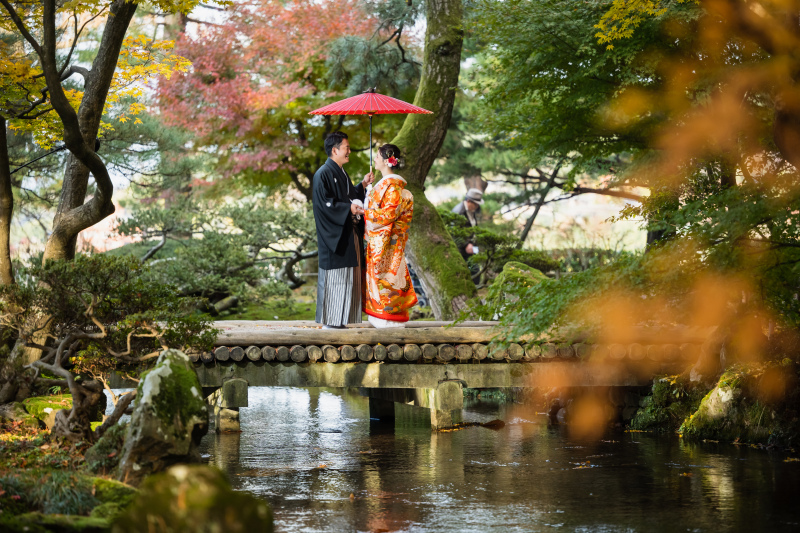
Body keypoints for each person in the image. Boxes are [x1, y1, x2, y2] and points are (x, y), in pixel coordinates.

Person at [312, 131, 374, 329]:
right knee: (337, 278)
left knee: (349, 277)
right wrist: (348, 208)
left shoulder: (340, 172)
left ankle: (341, 320)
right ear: (334, 149)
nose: (349, 151)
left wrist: (363, 184)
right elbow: (325, 204)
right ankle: (331, 321)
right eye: (346, 147)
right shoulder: (323, 173)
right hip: (335, 237)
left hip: (348, 233)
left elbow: (350, 195)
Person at [363, 144, 417, 328]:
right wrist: (369, 193)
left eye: (377, 156)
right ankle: (383, 317)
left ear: (387, 160)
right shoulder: (388, 186)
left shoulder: (392, 187)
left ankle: (387, 318)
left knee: (387, 280)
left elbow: (388, 216)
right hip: (386, 241)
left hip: (386, 242)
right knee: (386, 280)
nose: (375, 159)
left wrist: (365, 212)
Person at [451, 188, 483, 261]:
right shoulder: (459, 212)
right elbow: (455, 232)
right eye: (476, 204)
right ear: (469, 201)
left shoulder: (471, 210)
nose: (477, 207)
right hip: (461, 250)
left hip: (472, 248)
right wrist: (466, 244)